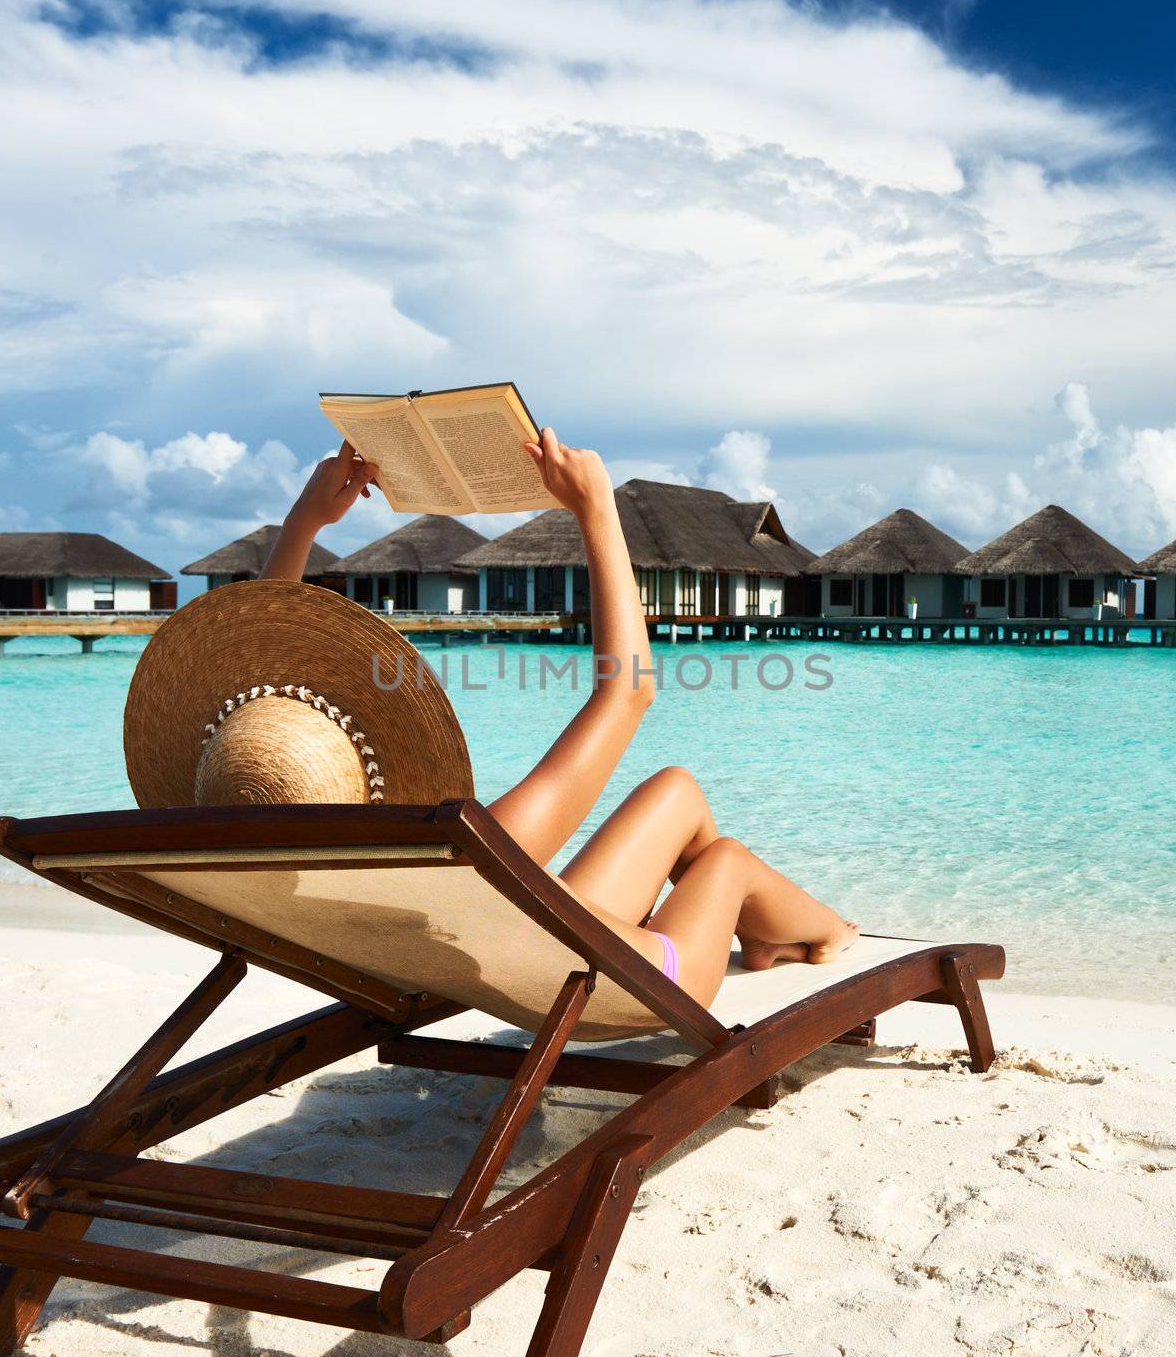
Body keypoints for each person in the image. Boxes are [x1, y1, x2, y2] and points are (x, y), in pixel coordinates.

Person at [264, 432, 859, 1008]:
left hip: (539, 951)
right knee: (726, 859)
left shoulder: (278, 863)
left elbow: (260, 681)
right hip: (628, 985)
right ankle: (829, 932)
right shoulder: (467, 853)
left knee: (676, 789)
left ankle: (762, 934)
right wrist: (596, 507)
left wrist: (303, 525)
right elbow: (628, 689)